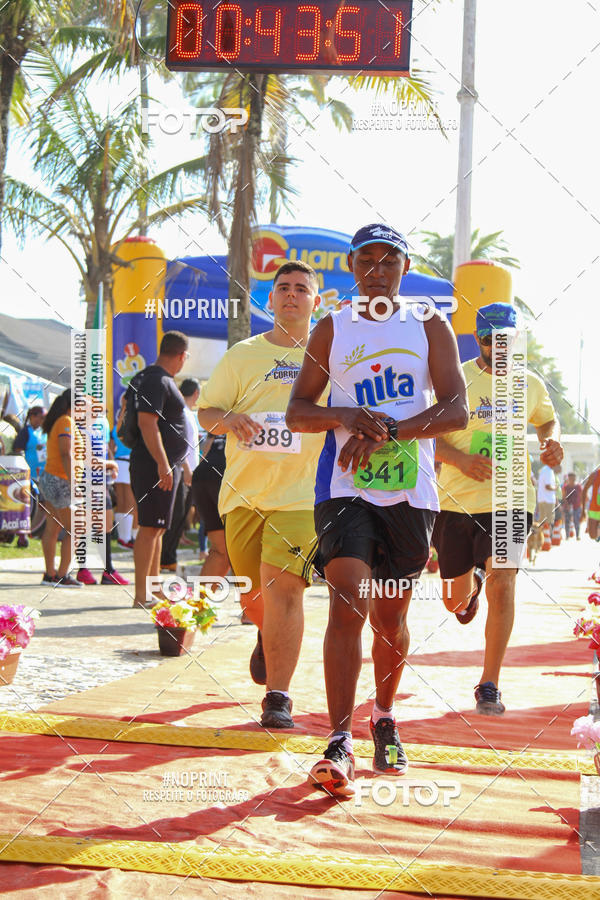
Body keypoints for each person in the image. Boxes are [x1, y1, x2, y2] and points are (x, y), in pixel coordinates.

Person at [286, 223, 468, 797]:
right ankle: (338, 740)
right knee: (348, 603)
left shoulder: (429, 325)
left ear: (404, 268)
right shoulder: (332, 327)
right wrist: (345, 415)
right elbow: (297, 412)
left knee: (389, 617)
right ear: (352, 268)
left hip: (410, 492)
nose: (377, 270)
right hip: (343, 488)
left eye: (389, 260)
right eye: (366, 260)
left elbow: (457, 409)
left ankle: (384, 716)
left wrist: (394, 429)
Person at [197, 260, 324, 729]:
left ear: (316, 300)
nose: (291, 295)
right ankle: (263, 632)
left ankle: (278, 697)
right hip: (243, 495)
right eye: (283, 288)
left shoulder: (329, 356)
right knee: (255, 598)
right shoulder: (242, 356)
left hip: (303, 497)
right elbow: (206, 411)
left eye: (301, 289)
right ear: (271, 299)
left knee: (285, 588)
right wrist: (228, 420)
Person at [433, 302, 563, 716]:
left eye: (507, 339)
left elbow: (547, 419)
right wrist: (459, 460)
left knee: (503, 581)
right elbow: (424, 436)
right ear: (479, 341)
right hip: (456, 502)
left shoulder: (529, 383)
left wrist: (549, 438)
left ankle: (489, 683)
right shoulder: (457, 380)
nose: (500, 347)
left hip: (511, 498)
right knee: (454, 603)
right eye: (492, 340)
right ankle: (467, 587)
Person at [129, 331, 190, 608]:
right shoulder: (156, 379)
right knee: (150, 527)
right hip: (154, 464)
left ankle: (152, 589)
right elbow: (146, 423)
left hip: (163, 464)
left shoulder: (155, 378)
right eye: (185, 358)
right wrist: (163, 463)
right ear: (181, 355)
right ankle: (141, 595)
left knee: (158, 528)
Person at [38, 390, 83, 587]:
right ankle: (62, 575)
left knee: (52, 527)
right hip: (61, 480)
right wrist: (74, 483)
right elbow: (66, 453)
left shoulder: (59, 420)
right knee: (75, 528)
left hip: (50, 478)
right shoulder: (66, 421)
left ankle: (50, 574)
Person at [160, 377, 201, 571]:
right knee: (175, 515)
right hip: (183, 470)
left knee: (182, 515)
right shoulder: (182, 413)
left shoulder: (190, 414)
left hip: (191, 471)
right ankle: (165, 557)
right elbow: (180, 444)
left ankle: (169, 555)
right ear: (196, 393)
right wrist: (186, 469)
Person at [191, 429, 231, 589]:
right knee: (244, 549)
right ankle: (251, 613)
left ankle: (200, 607)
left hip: (201, 475)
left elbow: (205, 449)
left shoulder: (220, 422)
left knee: (220, 550)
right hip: (223, 475)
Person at [12, 405, 47, 547]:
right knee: (29, 505)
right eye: (42, 417)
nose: (44, 420)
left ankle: (35, 530)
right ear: (33, 416)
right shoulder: (25, 432)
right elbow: (18, 450)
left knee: (44, 504)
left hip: (44, 474)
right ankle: (23, 532)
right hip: (29, 475)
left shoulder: (45, 432)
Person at [110, 396, 138, 548]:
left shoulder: (118, 421)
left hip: (119, 461)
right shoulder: (134, 418)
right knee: (130, 502)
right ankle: (127, 538)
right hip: (128, 461)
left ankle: (125, 537)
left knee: (123, 502)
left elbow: (112, 444)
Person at [537, 460, 558, 529]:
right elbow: (548, 486)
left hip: (542, 499)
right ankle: (547, 538)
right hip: (548, 500)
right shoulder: (548, 471)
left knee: (542, 520)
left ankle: (541, 538)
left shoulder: (544, 470)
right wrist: (555, 488)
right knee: (549, 521)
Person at [562, 472, 582, 540]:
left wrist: (581, 505)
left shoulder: (578, 486)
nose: (572, 479)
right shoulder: (565, 487)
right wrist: (567, 505)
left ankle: (577, 535)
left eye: (573, 478)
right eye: (571, 478)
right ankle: (567, 536)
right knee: (567, 521)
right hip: (567, 506)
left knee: (577, 521)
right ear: (569, 478)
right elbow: (564, 496)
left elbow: (581, 496)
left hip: (577, 506)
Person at [582, 467, 600, 540]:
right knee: (592, 535)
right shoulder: (595, 475)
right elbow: (585, 489)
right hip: (594, 508)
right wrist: (583, 509)